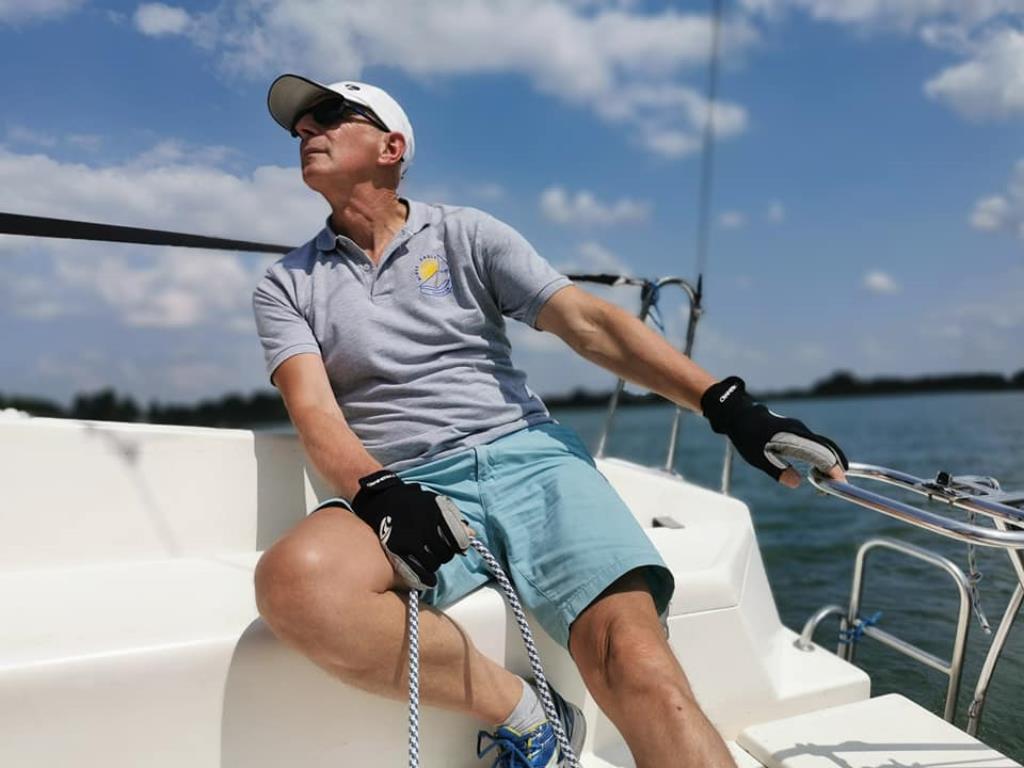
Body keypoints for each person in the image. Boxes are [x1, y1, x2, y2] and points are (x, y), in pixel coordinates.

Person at [252, 74, 848, 768]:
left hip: (529, 459)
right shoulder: (286, 284)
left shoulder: (467, 233)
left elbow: (588, 324)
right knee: (294, 585)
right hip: (405, 485)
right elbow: (314, 411)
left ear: (392, 147)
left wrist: (729, 407)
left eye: (329, 114)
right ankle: (527, 713)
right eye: (299, 126)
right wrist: (378, 491)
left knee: (634, 660)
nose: (306, 130)